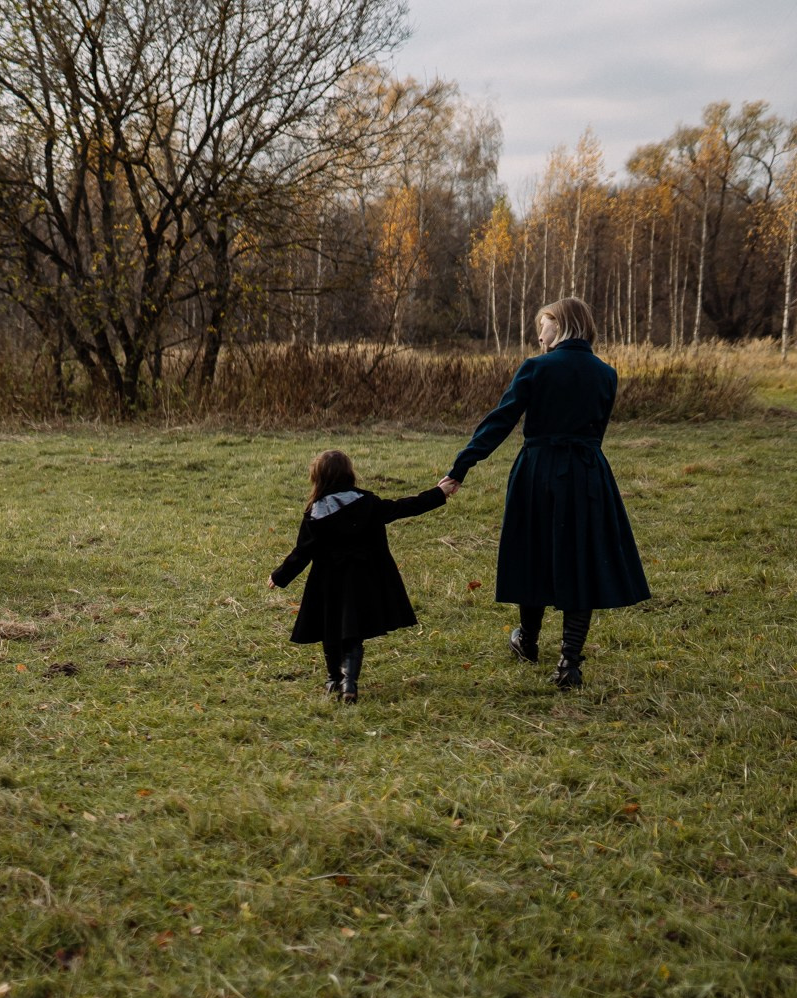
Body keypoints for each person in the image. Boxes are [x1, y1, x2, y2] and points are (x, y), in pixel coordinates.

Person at [441, 297, 649, 688]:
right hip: (588, 474)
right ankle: (569, 662)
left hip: (538, 471)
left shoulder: (536, 367)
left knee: (532, 553)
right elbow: (597, 430)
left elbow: (499, 421)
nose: (540, 334)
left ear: (563, 325)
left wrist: (461, 467)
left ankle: (529, 642)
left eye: (545, 325)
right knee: (580, 559)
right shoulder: (606, 373)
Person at [269, 449, 448, 703]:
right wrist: (438, 493)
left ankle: (333, 680)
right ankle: (349, 683)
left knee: (331, 630)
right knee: (352, 633)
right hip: (363, 579)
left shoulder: (315, 512)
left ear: (317, 478)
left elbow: (303, 552)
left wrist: (279, 576)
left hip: (328, 583)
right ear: (349, 474)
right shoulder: (368, 503)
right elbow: (403, 507)